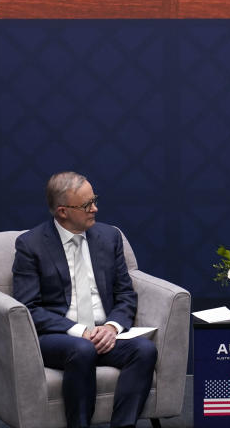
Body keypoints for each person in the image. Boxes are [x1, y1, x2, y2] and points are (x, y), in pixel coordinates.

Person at [12, 171, 157, 428]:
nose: (95, 209)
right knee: (82, 349)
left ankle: (124, 425)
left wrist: (111, 328)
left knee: (144, 351)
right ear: (62, 211)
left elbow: (125, 294)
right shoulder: (31, 245)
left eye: (94, 200)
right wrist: (80, 332)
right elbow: (29, 308)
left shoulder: (109, 237)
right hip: (60, 337)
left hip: (104, 333)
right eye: (86, 205)